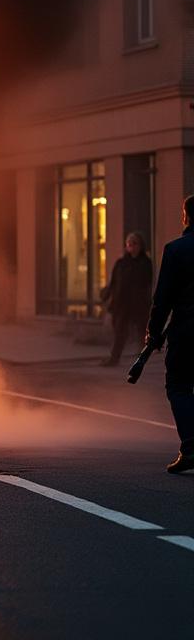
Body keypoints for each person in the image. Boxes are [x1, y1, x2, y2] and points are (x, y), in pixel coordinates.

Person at [146, 196, 194, 474]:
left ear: (186, 216)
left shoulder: (176, 250)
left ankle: (190, 447)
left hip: (187, 331)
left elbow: (163, 298)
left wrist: (154, 332)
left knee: (179, 386)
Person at [102, 232, 153, 366]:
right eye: (129, 243)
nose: (131, 246)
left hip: (138, 303)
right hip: (122, 303)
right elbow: (113, 281)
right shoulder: (121, 263)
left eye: (134, 243)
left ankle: (143, 357)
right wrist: (108, 295)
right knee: (120, 331)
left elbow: (147, 282)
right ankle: (114, 359)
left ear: (140, 246)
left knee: (142, 330)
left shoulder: (145, 263)